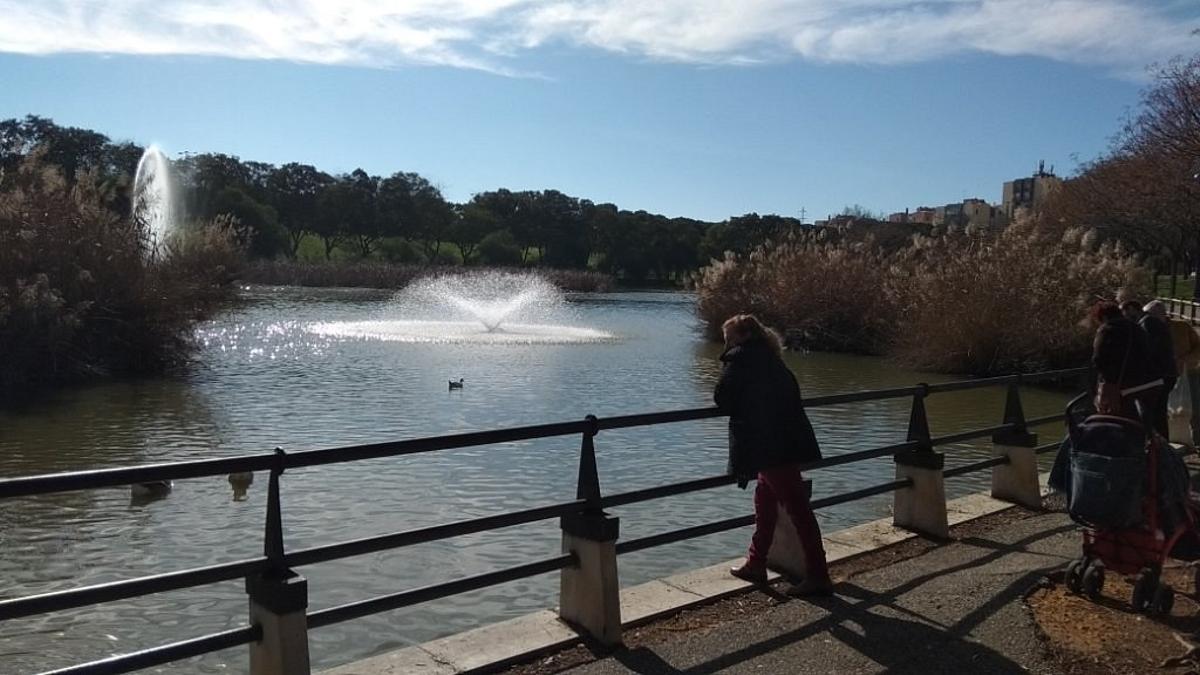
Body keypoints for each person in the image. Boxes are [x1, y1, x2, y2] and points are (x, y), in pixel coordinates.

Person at [714, 314, 831, 596]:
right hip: (784, 442)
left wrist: (727, 362)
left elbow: (722, 398)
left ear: (743, 337)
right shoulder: (772, 359)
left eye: (729, 337)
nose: (726, 342)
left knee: (798, 510)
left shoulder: (741, 359)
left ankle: (818, 575)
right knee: (764, 502)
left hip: (770, 447)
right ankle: (756, 563)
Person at [1092, 301, 1155, 420]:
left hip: (1120, 385)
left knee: (1115, 418)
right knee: (1142, 418)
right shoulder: (1137, 328)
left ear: (1104, 317)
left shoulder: (1107, 329)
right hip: (1145, 382)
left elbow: (1098, 359)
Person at [1149, 300, 1200, 443]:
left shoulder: (1181, 327)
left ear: (1162, 314)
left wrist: (1185, 359)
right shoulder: (1148, 329)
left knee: (1193, 408)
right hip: (1163, 375)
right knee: (1168, 409)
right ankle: (1173, 438)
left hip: (1188, 372)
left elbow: (1198, 347)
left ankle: (1196, 440)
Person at [1139, 301, 1177, 437]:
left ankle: (1154, 442)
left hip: (1156, 375)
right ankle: (1162, 441)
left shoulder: (1149, 323)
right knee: (1160, 411)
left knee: (1151, 412)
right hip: (1169, 374)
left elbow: (1149, 349)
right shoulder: (1165, 326)